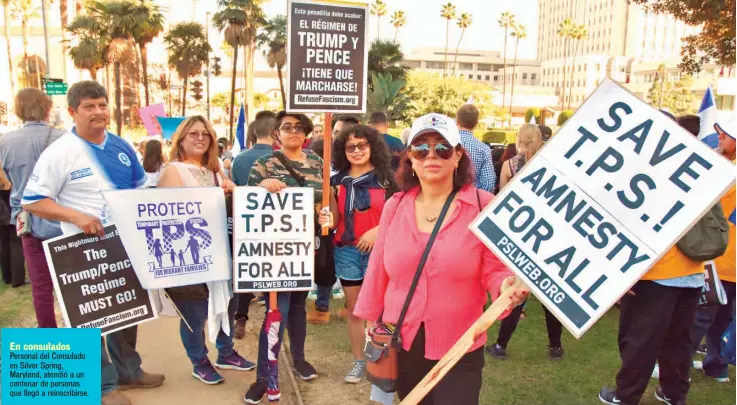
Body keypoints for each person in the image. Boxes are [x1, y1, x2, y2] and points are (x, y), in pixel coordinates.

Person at [353, 113, 528, 404]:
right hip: (403, 341)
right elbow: (378, 272)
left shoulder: (483, 206)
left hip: (461, 343)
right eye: (421, 149)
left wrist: (506, 285)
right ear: (410, 157)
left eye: (442, 148)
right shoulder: (395, 206)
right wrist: (373, 324)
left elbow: (494, 269)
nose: (431, 156)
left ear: (458, 155)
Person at [21, 81, 164, 405]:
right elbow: (33, 201)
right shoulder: (59, 152)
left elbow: (140, 190)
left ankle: (130, 370)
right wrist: (75, 217)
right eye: (89, 106)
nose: (98, 111)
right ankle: (104, 387)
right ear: (72, 112)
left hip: (123, 246)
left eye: (102, 104)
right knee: (89, 320)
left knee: (128, 311)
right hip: (80, 251)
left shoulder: (123, 146)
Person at [598, 118, 710, 405]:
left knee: (640, 340)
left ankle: (626, 396)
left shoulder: (648, 172)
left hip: (655, 273)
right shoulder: (696, 169)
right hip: (692, 272)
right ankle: (673, 394)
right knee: (678, 341)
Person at [244, 111, 337, 404]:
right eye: (287, 127)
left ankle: (299, 359)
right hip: (275, 250)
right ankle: (264, 376)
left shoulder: (317, 163)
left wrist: (327, 216)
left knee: (298, 305)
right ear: (276, 134)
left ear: (306, 133)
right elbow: (246, 201)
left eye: (299, 127)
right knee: (277, 310)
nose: (293, 131)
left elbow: (326, 203)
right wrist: (261, 187)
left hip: (306, 247)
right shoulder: (264, 164)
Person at [156, 115, 255, 385]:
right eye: (193, 134)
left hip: (219, 251)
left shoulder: (213, 171)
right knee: (195, 313)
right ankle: (199, 362)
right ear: (181, 139)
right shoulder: (174, 170)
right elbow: (168, 216)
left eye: (205, 134)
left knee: (228, 302)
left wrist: (249, 190)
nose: (200, 138)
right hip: (188, 256)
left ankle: (226, 352)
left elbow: (237, 194)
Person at [317, 125, 398, 383]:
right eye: (350, 147)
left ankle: (382, 358)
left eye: (362, 145)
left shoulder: (387, 178)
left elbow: (400, 214)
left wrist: (378, 230)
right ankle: (359, 362)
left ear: (372, 146)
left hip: (381, 252)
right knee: (355, 311)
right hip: (347, 252)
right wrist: (325, 216)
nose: (356, 151)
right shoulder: (336, 181)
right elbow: (335, 220)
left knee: (382, 310)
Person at [485, 124, 565, 361]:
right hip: (549, 233)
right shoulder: (552, 164)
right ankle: (555, 346)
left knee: (519, 288)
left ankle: (501, 345)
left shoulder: (510, 165)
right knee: (550, 294)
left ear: (519, 139)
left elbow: (502, 198)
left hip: (520, 232)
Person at [0, 88, 64, 321]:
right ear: (47, 108)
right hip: (63, 219)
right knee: (73, 284)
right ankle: (82, 348)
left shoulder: (5, 142)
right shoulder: (65, 138)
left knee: (40, 286)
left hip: (27, 220)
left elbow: (8, 177)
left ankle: (49, 344)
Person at [686, 116, 736, 383]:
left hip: (722, 260)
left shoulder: (728, 173)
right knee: (721, 318)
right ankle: (716, 366)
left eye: (724, 136)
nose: (719, 139)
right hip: (729, 262)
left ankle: (678, 368)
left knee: (699, 318)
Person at [230, 116, 277, 339]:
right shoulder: (279, 158)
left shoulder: (239, 159)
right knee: (273, 271)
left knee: (245, 271)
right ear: (275, 132)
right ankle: (270, 318)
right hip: (277, 226)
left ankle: (241, 317)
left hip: (246, 224)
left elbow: (235, 191)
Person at [455, 104, 496, 192]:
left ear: (457, 120)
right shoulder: (484, 149)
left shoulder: (448, 143)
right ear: (476, 123)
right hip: (473, 200)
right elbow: (489, 184)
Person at [499, 125, 544, 189]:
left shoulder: (508, 165)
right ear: (539, 139)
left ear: (519, 140)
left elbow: (502, 194)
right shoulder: (546, 162)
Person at [0, 167, 24, 287]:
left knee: (4, 242)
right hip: (7, 201)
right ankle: (17, 279)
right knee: (15, 241)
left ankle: (6, 276)